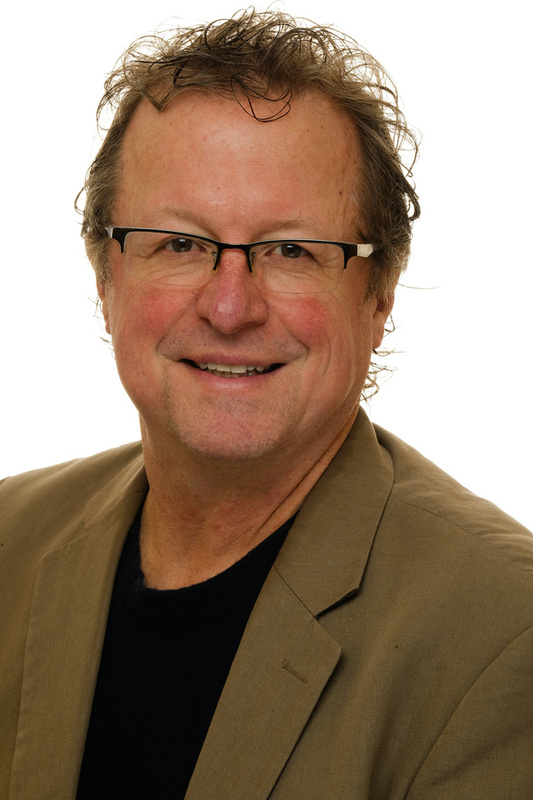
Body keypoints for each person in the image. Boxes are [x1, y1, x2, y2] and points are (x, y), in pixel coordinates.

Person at [1, 9, 532, 799]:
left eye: (290, 250)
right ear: (105, 277)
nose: (229, 307)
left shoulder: (503, 634)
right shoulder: (9, 540)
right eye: (180, 244)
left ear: (379, 293)